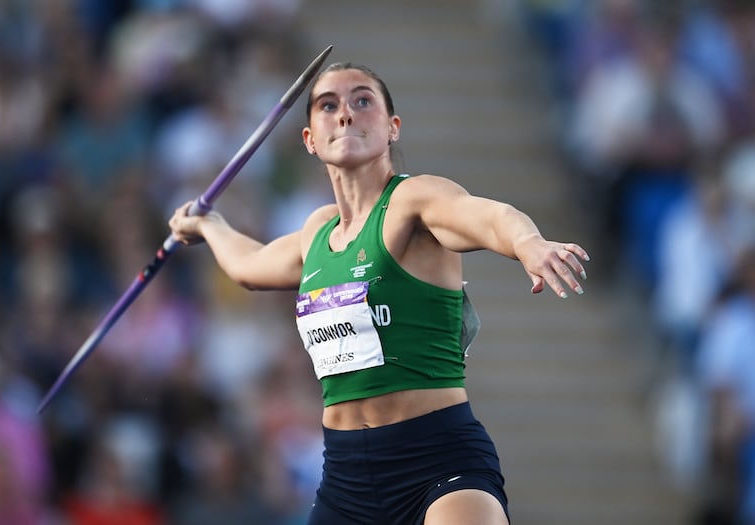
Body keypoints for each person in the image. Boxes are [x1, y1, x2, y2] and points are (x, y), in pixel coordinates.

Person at [168, 62, 590, 525]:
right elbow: (249, 267)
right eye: (329, 105)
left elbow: (488, 215)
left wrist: (528, 243)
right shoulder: (316, 234)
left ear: (392, 128)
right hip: (346, 481)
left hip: (439, 464)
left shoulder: (413, 201)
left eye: (362, 100)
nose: (346, 113)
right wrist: (210, 225)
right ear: (310, 139)